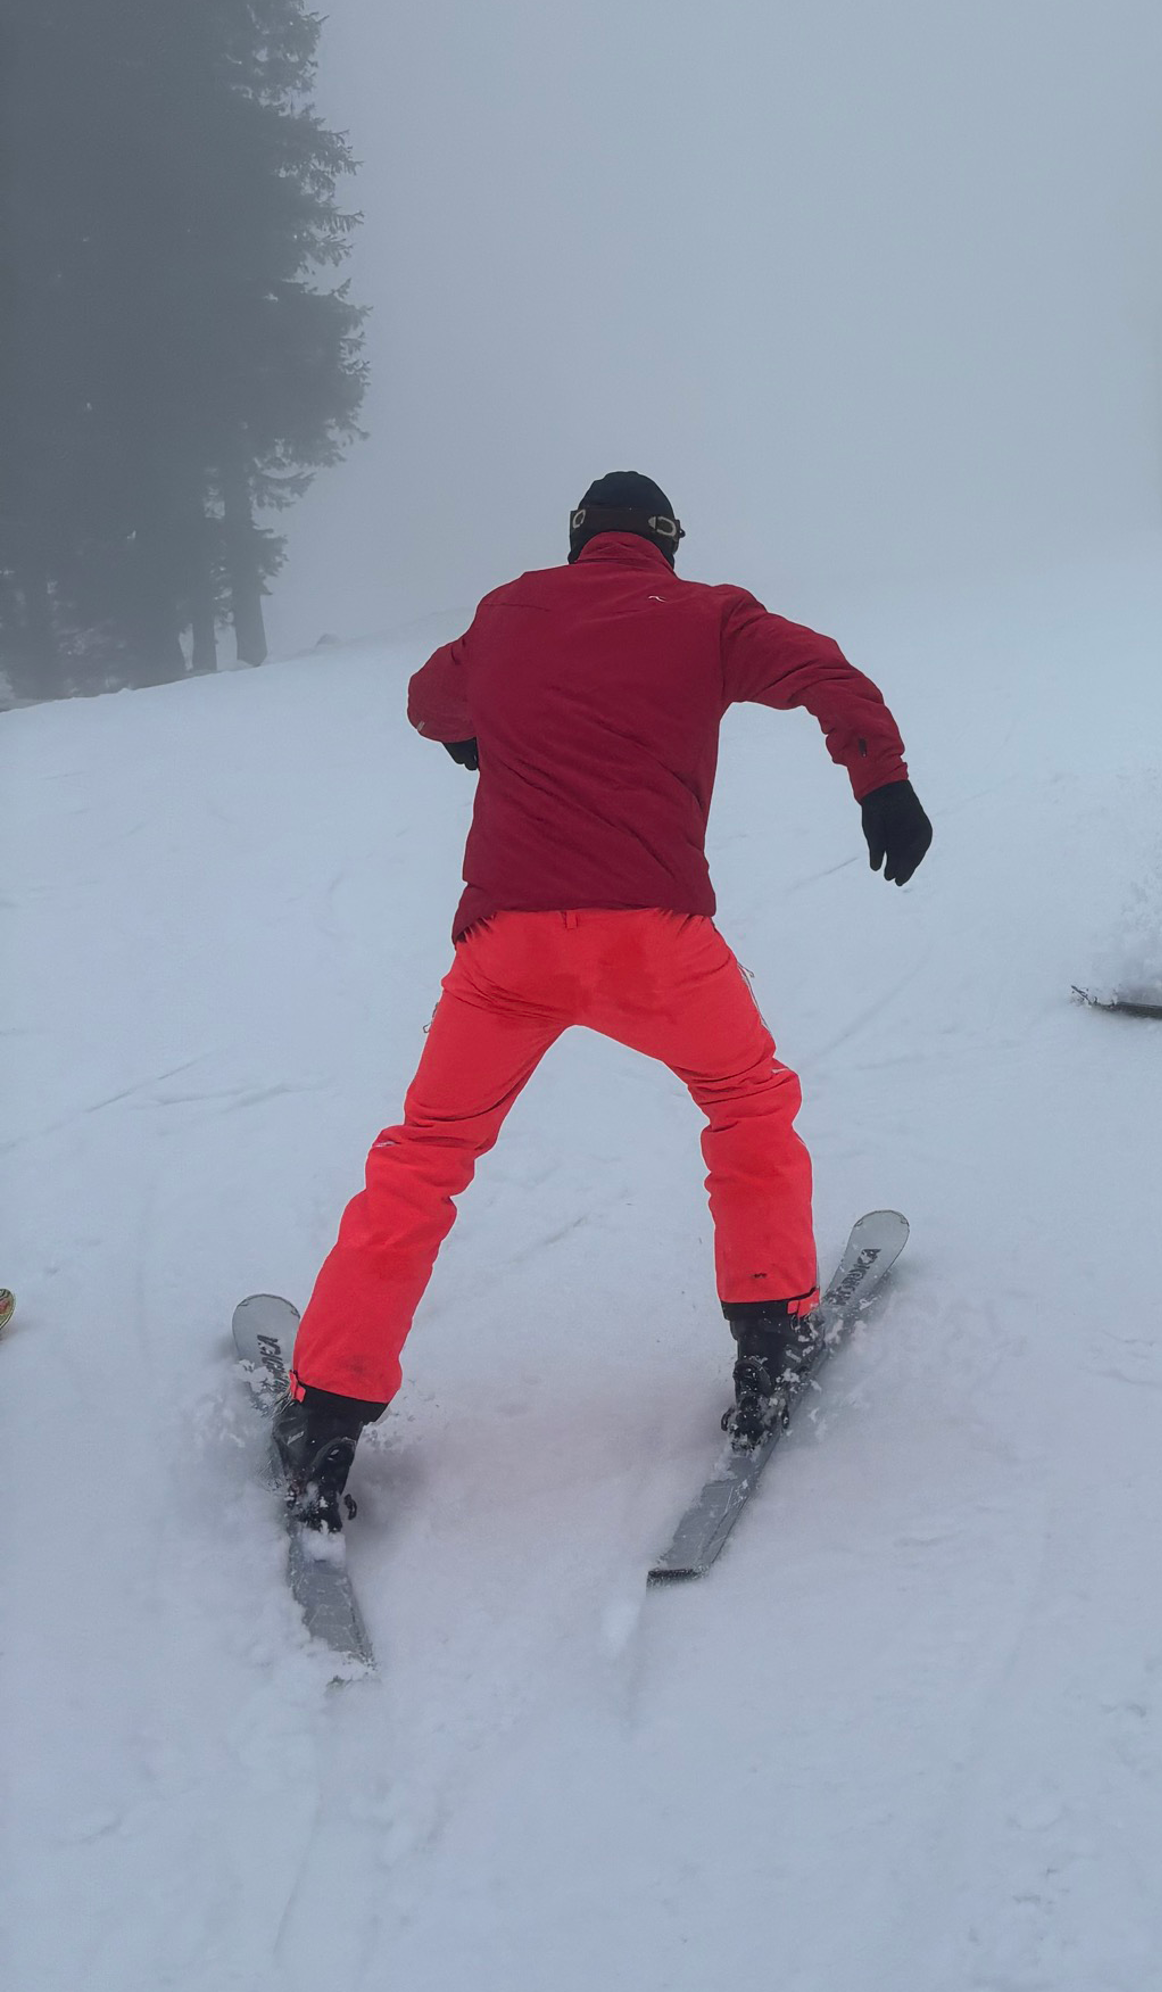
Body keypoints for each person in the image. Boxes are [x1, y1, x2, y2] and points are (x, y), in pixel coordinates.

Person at [272, 472, 934, 1529]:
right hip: (655, 941)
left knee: (426, 1157)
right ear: (667, 543)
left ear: (579, 537)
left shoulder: (508, 611)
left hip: (508, 950)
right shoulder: (709, 613)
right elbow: (824, 671)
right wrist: (880, 780)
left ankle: (329, 1410)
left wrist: (471, 733)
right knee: (747, 1104)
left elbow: (428, 700)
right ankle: (770, 1339)